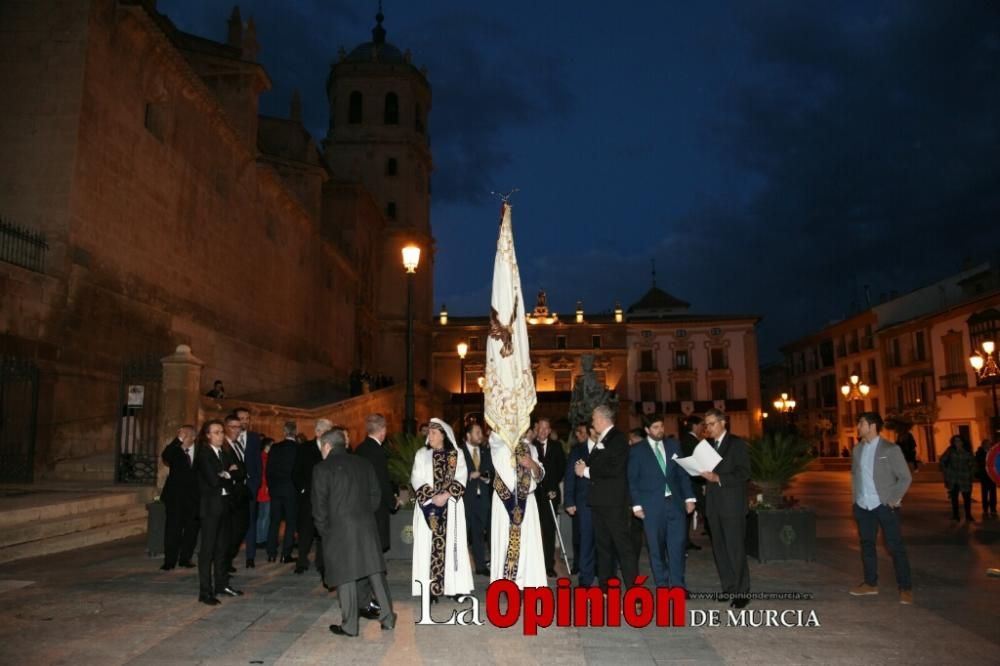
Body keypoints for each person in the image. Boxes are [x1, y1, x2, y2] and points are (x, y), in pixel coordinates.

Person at [312, 429, 397, 637]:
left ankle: (350, 625)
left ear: (326, 446)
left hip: (338, 528)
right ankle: (387, 618)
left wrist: (324, 531)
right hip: (366, 525)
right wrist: (364, 514)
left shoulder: (322, 468)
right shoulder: (363, 463)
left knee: (345, 574)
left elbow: (319, 506)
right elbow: (375, 495)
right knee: (374, 571)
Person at [849, 412, 913, 605]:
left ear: (872, 426)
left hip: (884, 505)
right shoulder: (857, 450)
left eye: (861, 423)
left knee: (895, 546)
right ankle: (870, 584)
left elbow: (905, 477)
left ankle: (905, 588)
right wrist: (855, 501)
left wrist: (893, 499)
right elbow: (855, 476)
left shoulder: (890, 449)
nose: (858, 427)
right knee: (867, 545)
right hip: (863, 506)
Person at [629, 414, 696, 590]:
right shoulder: (637, 450)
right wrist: (636, 505)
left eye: (661, 426)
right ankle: (662, 585)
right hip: (651, 506)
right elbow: (632, 480)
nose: (660, 430)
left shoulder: (674, 445)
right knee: (656, 548)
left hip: (675, 504)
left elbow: (682, 473)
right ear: (647, 430)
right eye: (655, 427)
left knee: (677, 546)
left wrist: (689, 497)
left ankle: (678, 585)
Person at [411, 418, 473, 601]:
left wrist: (445, 496)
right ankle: (429, 589)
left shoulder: (456, 455)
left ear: (443, 436)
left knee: (454, 546)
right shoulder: (421, 454)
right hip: (428, 508)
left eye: (433, 433)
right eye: (429, 433)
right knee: (427, 546)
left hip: (451, 508)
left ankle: (454, 587)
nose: (429, 436)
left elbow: (461, 477)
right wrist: (432, 498)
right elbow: (416, 478)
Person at [576, 404, 637, 591]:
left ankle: (634, 591)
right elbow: (601, 463)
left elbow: (614, 468)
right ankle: (606, 588)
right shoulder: (602, 439)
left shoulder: (618, 438)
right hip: (599, 502)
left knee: (623, 547)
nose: (592, 422)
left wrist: (586, 471)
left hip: (613, 503)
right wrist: (584, 466)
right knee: (603, 547)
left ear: (602, 419)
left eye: (594, 418)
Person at [700, 408, 751, 608]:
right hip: (714, 505)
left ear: (723, 423)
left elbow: (744, 472)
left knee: (735, 549)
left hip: (732, 506)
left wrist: (719, 478)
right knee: (720, 549)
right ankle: (728, 587)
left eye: (712, 424)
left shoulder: (736, 444)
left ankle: (742, 591)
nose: (708, 428)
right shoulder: (708, 446)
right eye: (706, 425)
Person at [490, 423, 547, 589]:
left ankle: (525, 583)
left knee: (527, 544)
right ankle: (506, 582)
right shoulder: (499, 444)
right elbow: (494, 436)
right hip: (504, 503)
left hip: (527, 502)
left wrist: (532, 464)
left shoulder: (531, 448)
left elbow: (540, 475)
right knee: (505, 542)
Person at [354, 413, 398, 618]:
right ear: (383, 431)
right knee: (372, 558)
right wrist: (393, 502)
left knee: (366, 556)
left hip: (360, 510)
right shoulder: (378, 452)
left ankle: (365, 599)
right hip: (375, 511)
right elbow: (382, 482)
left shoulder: (359, 449)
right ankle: (365, 601)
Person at [195, 419, 243, 604]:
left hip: (225, 504)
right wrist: (228, 474)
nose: (221, 435)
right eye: (216, 432)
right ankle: (205, 591)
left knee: (223, 548)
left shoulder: (224, 452)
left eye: (222, 432)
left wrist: (226, 474)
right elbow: (213, 481)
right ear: (207, 435)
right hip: (210, 507)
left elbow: (240, 472)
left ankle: (222, 585)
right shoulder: (204, 454)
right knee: (208, 550)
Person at [294, 418, 332, 577]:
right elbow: (296, 472)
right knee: (306, 531)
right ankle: (302, 561)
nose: (329, 434)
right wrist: (303, 490)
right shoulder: (304, 448)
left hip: (327, 498)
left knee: (323, 531)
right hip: (308, 498)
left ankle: (321, 563)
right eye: (327, 431)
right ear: (318, 432)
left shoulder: (333, 448)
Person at [160, 425, 199, 571]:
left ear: (193, 437)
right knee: (172, 529)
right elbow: (166, 457)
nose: (182, 437)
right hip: (175, 498)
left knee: (191, 530)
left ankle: (185, 559)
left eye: (185, 434)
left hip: (194, 498)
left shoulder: (201, 451)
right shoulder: (174, 450)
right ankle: (169, 561)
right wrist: (178, 440)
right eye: (180, 434)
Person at [533, 417, 567, 577]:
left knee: (548, 530)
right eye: (541, 428)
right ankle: (534, 564)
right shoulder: (530, 445)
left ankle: (548, 565)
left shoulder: (556, 446)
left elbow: (561, 468)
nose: (543, 431)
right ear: (536, 429)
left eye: (546, 428)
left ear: (549, 430)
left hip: (550, 494)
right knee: (533, 529)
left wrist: (552, 487)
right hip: (533, 495)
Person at [459, 421, 494, 576]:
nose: (481, 436)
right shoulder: (459, 452)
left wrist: (486, 477)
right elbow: (454, 473)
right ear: (468, 435)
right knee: (463, 533)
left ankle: (480, 566)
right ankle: (460, 567)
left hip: (482, 498)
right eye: (477, 433)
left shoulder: (486, 451)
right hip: (465, 498)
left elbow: (490, 471)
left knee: (479, 533)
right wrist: (468, 476)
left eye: (481, 432)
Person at [565, 423, 596, 584]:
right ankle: (585, 577)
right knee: (586, 539)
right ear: (591, 431)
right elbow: (570, 477)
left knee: (604, 540)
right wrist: (569, 501)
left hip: (605, 501)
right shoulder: (578, 450)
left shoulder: (606, 448)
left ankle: (604, 574)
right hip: (584, 502)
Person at [233, 408, 263, 568]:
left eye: (247, 418)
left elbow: (258, 462)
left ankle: (250, 557)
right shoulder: (228, 438)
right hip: (234, 486)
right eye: (241, 418)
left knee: (251, 520)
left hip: (251, 485)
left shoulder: (254, 438)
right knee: (233, 521)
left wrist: (256, 482)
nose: (245, 421)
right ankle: (229, 554)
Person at [222, 415, 250, 572]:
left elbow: (241, 469)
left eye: (238, 427)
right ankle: (224, 562)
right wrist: (233, 472)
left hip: (241, 493)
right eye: (233, 427)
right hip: (231, 494)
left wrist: (236, 471)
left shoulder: (237, 444)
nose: (236, 430)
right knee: (232, 531)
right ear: (225, 427)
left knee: (241, 528)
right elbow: (231, 471)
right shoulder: (223, 446)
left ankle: (227, 560)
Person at [266, 422, 298, 563]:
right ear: (295, 432)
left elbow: (268, 469)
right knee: (290, 522)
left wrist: (270, 486)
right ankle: (286, 554)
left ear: (284, 432)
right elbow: (298, 471)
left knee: (274, 521)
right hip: (291, 490)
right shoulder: (298, 449)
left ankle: (271, 553)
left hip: (276, 489)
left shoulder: (275, 447)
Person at [941, 435, 976, 522]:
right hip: (954, 478)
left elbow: (973, 464)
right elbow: (942, 460)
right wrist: (947, 471)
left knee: (967, 498)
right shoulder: (950, 451)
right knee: (954, 498)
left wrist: (970, 473)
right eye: (955, 441)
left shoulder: (967, 452)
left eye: (959, 441)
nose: (957, 443)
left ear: (962, 442)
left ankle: (968, 515)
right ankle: (955, 515)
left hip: (965, 478)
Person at [255, 437, 273, 549]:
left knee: (262, 515)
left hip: (262, 489)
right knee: (265, 515)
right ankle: (262, 539)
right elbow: (264, 474)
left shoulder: (262, 456)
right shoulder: (264, 457)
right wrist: (267, 486)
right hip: (265, 489)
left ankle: (260, 538)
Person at [975, 439, 998, 518]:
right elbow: (979, 463)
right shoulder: (979, 453)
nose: (989, 445)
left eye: (990, 444)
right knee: (984, 493)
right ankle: (985, 509)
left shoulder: (992, 452)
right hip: (984, 476)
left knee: (993, 493)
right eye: (987, 444)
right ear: (983, 444)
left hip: (992, 476)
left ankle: (993, 509)